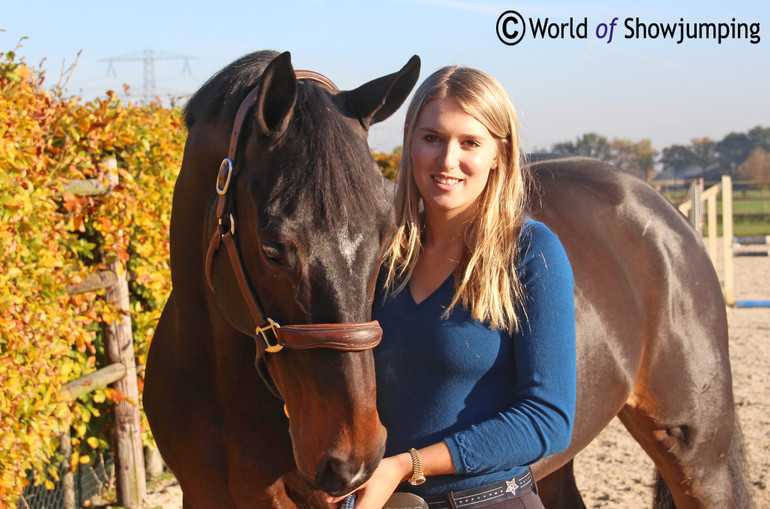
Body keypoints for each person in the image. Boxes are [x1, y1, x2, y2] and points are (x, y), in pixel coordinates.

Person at [329, 66, 576, 509]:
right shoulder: (379, 253)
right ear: (409, 139)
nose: (447, 161)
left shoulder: (531, 252)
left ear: (499, 153)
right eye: (432, 138)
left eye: (470, 143)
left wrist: (406, 465)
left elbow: (548, 420)